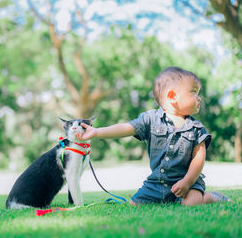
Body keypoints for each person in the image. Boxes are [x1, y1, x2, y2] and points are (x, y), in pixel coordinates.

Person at [77, 66, 229, 205]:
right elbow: (125, 128)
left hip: (188, 183)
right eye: (194, 91)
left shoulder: (196, 128)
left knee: (191, 203)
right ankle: (167, 198)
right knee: (134, 204)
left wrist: (187, 182)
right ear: (172, 96)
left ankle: (215, 197)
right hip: (157, 182)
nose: (199, 97)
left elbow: (199, 158)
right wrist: (97, 132)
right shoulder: (150, 119)